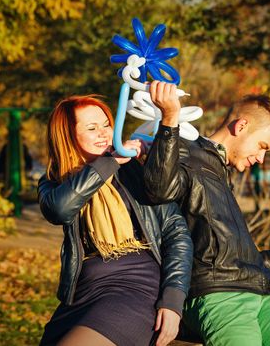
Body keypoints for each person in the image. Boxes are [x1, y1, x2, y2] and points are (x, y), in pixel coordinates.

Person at [144, 81, 270, 346]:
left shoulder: (221, 171)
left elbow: (227, 257)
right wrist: (170, 119)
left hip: (263, 292)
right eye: (262, 146)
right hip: (221, 295)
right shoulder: (185, 151)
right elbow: (158, 189)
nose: (261, 158)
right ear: (241, 126)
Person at [37, 95, 193, 346]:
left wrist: (174, 300)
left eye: (107, 124)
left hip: (134, 287)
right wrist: (107, 164)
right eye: (91, 128)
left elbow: (177, 233)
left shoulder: (135, 170)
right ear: (67, 136)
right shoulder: (55, 181)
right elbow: (59, 210)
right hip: (82, 295)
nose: (104, 133)